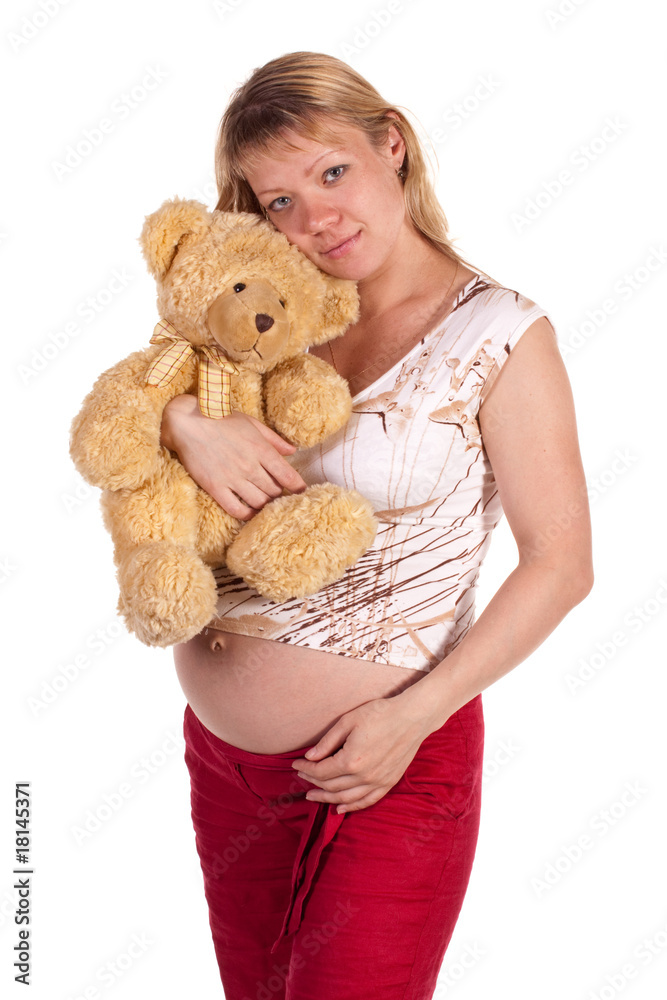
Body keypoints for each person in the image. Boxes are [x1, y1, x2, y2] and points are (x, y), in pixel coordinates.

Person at [159, 51, 593, 998]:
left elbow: (560, 565)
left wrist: (410, 719)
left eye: (332, 172)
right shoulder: (274, 311)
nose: (315, 218)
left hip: (388, 759)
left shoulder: (499, 335)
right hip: (227, 768)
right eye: (279, 200)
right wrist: (187, 422)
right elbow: (141, 397)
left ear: (390, 144)